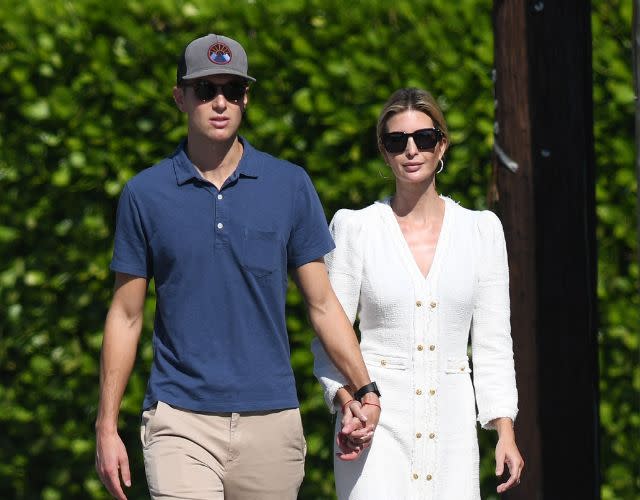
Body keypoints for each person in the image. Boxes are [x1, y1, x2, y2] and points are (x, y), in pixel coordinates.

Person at [94, 33, 380, 500]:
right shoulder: (144, 195)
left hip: (272, 422)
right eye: (206, 90)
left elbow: (323, 304)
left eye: (232, 90)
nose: (220, 102)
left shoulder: (289, 185)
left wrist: (365, 387)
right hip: (179, 419)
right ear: (180, 98)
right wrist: (107, 427)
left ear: (247, 97)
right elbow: (126, 316)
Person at [312, 87, 524, 499]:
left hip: (452, 427)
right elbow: (330, 335)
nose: (411, 150)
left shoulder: (481, 231)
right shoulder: (355, 228)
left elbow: (493, 343)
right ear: (384, 150)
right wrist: (345, 402)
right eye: (397, 141)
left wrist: (504, 430)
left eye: (423, 138)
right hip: (374, 424)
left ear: (441, 143)